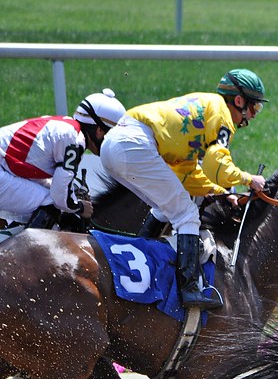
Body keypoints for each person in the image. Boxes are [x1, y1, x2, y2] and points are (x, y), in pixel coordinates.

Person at [100, 69, 269, 310]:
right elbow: (215, 164)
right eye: (254, 108)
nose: (252, 116)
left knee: (164, 208)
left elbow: (187, 172)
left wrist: (220, 192)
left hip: (116, 145)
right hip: (134, 145)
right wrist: (248, 179)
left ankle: (142, 263)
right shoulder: (222, 115)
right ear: (239, 101)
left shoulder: (205, 110)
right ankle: (189, 290)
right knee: (186, 215)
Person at [0, 89, 126, 229]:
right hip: (4, 168)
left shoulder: (69, 129)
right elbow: (59, 196)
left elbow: (57, 187)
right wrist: (80, 207)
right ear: (99, 131)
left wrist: (71, 204)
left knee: (49, 202)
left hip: (5, 167)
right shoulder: (74, 140)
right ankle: (22, 250)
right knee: (50, 202)